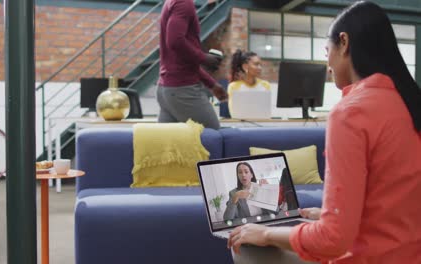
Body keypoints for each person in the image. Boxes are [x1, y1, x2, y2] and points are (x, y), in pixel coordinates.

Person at [227, 1, 421, 264]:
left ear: (344, 42)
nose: (327, 63)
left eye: (327, 50)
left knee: (247, 245)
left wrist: (267, 233)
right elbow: (395, 202)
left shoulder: (351, 113)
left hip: (369, 257)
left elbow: (332, 239)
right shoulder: (408, 104)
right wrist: (335, 215)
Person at [156, 0, 228, 130]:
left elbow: (182, 59)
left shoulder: (172, 2)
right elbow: (175, 41)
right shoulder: (184, 3)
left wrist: (211, 84)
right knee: (213, 138)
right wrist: (204, 58)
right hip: (183, 91)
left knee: (171, 147)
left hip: (166, 90)